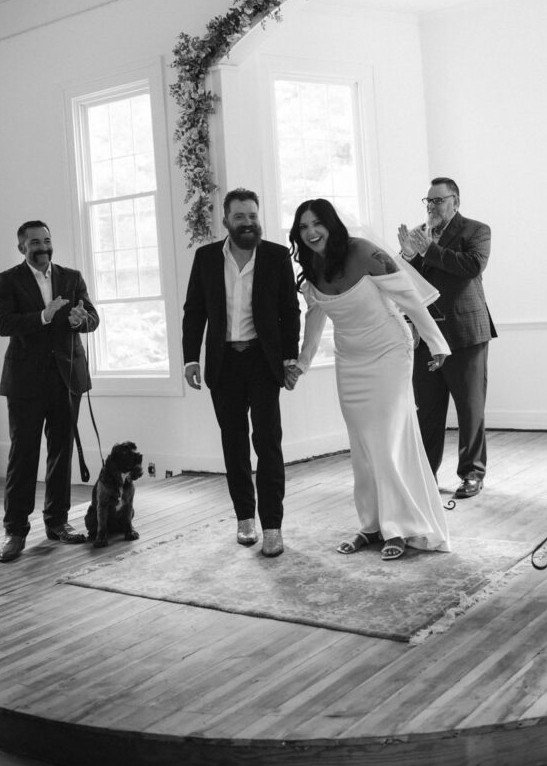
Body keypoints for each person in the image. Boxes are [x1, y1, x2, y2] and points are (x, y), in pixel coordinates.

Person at [287, 198, 451, 561]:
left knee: (386, 438)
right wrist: (302, 361)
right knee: (362, 445)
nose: (311, 232)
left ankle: (401, 526)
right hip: (350, 360)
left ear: (331, 224)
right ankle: (371, 525)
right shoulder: (311, 265)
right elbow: (315, 319)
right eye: (303, 227)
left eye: (317, 223)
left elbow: (408, 295)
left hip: (389, 351)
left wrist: (437, 343)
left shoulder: (363, 252)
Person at [182, 188, 300, 557]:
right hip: (224, 363)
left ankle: (273, 526)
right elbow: (194, 311)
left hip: (263, 363)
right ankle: (245, 519)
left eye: (252, 215)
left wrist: (288, 359)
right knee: (233, 445)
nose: (248, 222)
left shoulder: (277, 256)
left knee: (268, 443)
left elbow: (290, 312)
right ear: (226, 221)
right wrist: (190, 359)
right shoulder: (205, 258)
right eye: (240, 217)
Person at [0, 221, 99, 563]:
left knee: (61, 451)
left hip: (67, 376)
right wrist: (42, 315)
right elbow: (3, 324)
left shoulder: (71, 276)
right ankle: (15, 531)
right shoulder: (6, 280)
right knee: (23, 454)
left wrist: (78, 319)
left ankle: (57, 523)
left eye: (47, 240)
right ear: (21, 247)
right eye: (35, 242)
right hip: (25, 381)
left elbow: (92, 318)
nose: (43, 247)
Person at [398, 178, 496, 499]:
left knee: (470, 409)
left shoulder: (477, 230)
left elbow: (471, 267)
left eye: (437, 201)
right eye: (427, 201)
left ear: (455, 200)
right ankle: (425, 475)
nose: (431, 207)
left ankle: (472, 474)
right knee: (427, 410)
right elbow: (408, 283)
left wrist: (429, 250)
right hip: (426, 335)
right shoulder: (417, 235)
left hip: (466, 333)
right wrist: (409, 256)